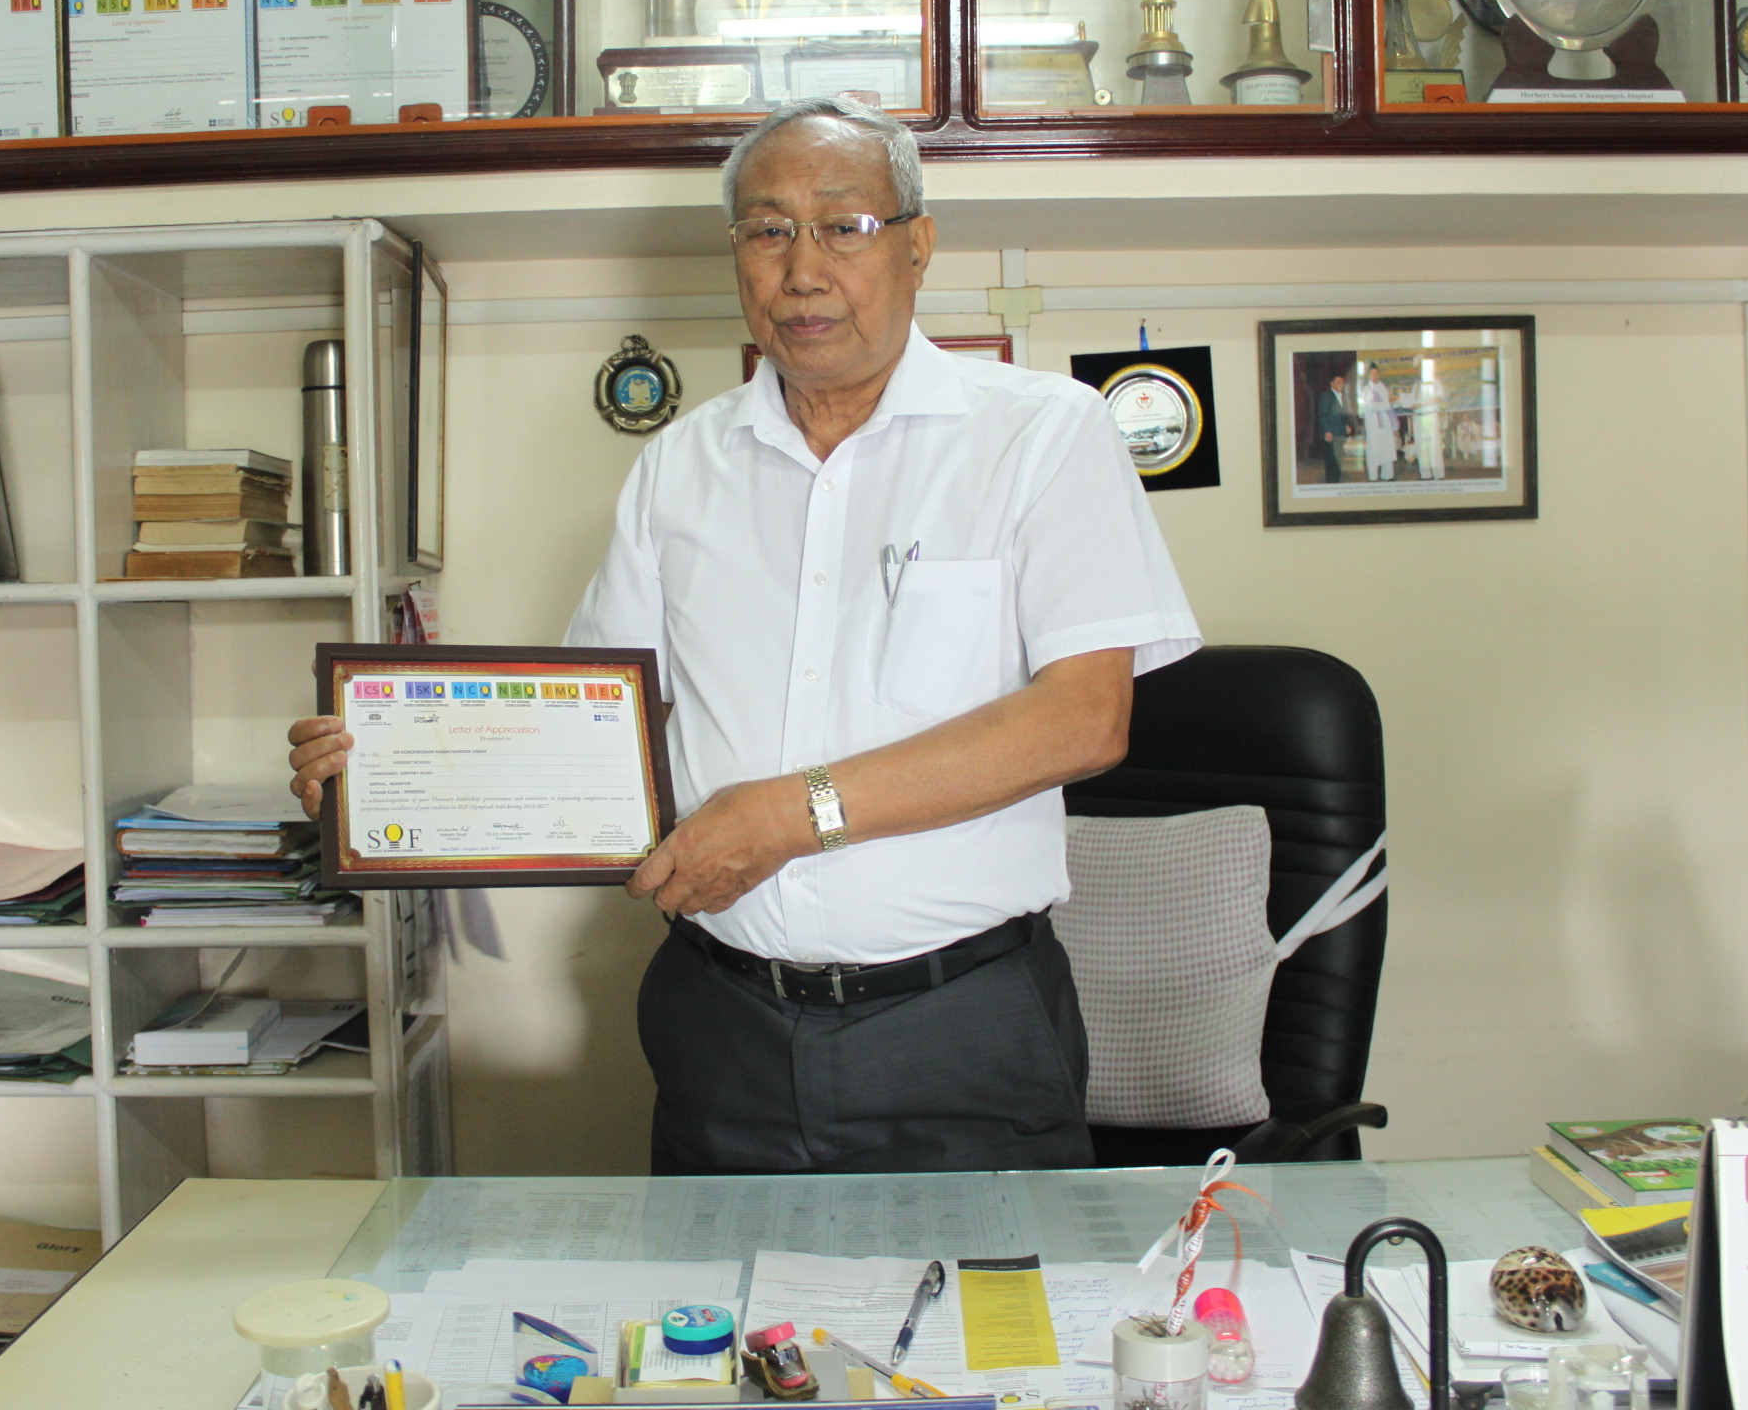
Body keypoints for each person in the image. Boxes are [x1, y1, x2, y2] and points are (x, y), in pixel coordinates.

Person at [287, 98, 1200, 1175]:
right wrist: (391, 781)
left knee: (985, 1293)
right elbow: (597, 742)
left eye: (844, 227)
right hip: (722, 1027)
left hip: (960, 1027)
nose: (803, 270)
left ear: (917, 245)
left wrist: (791, 814)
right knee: (715, 1291)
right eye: (768, 231)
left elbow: (1084, 719)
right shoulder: (681, 464)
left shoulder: (1042, 432)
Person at [1314, 367, 1357, 484]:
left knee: (1338, 459)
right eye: (1338, 382)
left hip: (1340, 433)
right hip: (1331, 433)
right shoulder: (1326, 396)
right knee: (1331, 460)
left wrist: (1347, 425)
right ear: (1332, 383)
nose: (1341, 384)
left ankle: (1336, 480)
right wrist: (1327, 431)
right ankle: (1331, 482)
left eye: (1342, 382)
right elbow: (1323, 415)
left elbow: (1343, 414)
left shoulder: (1342, 397)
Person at [1361, 365, 1397, 480]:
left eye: (1377, 373)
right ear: (1369, 375)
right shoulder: (1367, 390)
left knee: (1388, 449)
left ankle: (1388, 476)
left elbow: (1391, 405)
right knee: (1374, 450)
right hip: (1374, 425)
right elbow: (1371, 406)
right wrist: (1388, 403)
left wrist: (1395, 401)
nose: (1375, 376)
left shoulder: (1384, 387)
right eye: (1372, 373)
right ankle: (1373, 477)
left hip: (1386, 425)